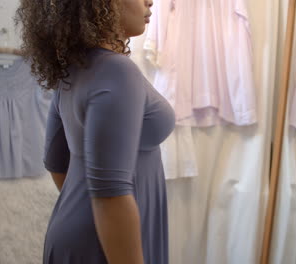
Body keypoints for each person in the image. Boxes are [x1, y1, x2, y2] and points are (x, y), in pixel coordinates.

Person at [14, 0, 175, 263]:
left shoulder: (74, 68)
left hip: (81, 234)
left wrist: (84, 211)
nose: (150, 1)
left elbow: (56, 162)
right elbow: (111, 193)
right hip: (108, 244)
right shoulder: (117, 71)